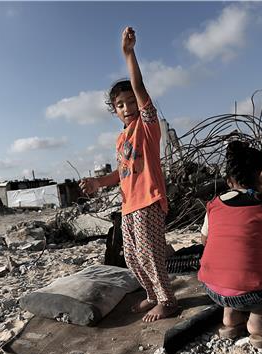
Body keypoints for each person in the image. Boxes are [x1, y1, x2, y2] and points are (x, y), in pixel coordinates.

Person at [80, 26, 177, 322]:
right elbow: (121, 173)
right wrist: (99, 182)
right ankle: (151, 295)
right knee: (133, 258)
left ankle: (168, 300)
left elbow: (140, 88)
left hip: (148, 200)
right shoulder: (122, 139)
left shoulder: (147, 128)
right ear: (114, 111)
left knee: (150, 255)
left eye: (131, 101)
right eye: (120, 105)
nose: (127, 108)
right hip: (128, 206)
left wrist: (128, 54)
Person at [198, 141, 262, 349]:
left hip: (212, 289)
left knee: (230, 269)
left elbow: (205, 241)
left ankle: (231, 317)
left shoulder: (215, 204)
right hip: (252, 292)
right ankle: (260, 321)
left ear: (229, 181)